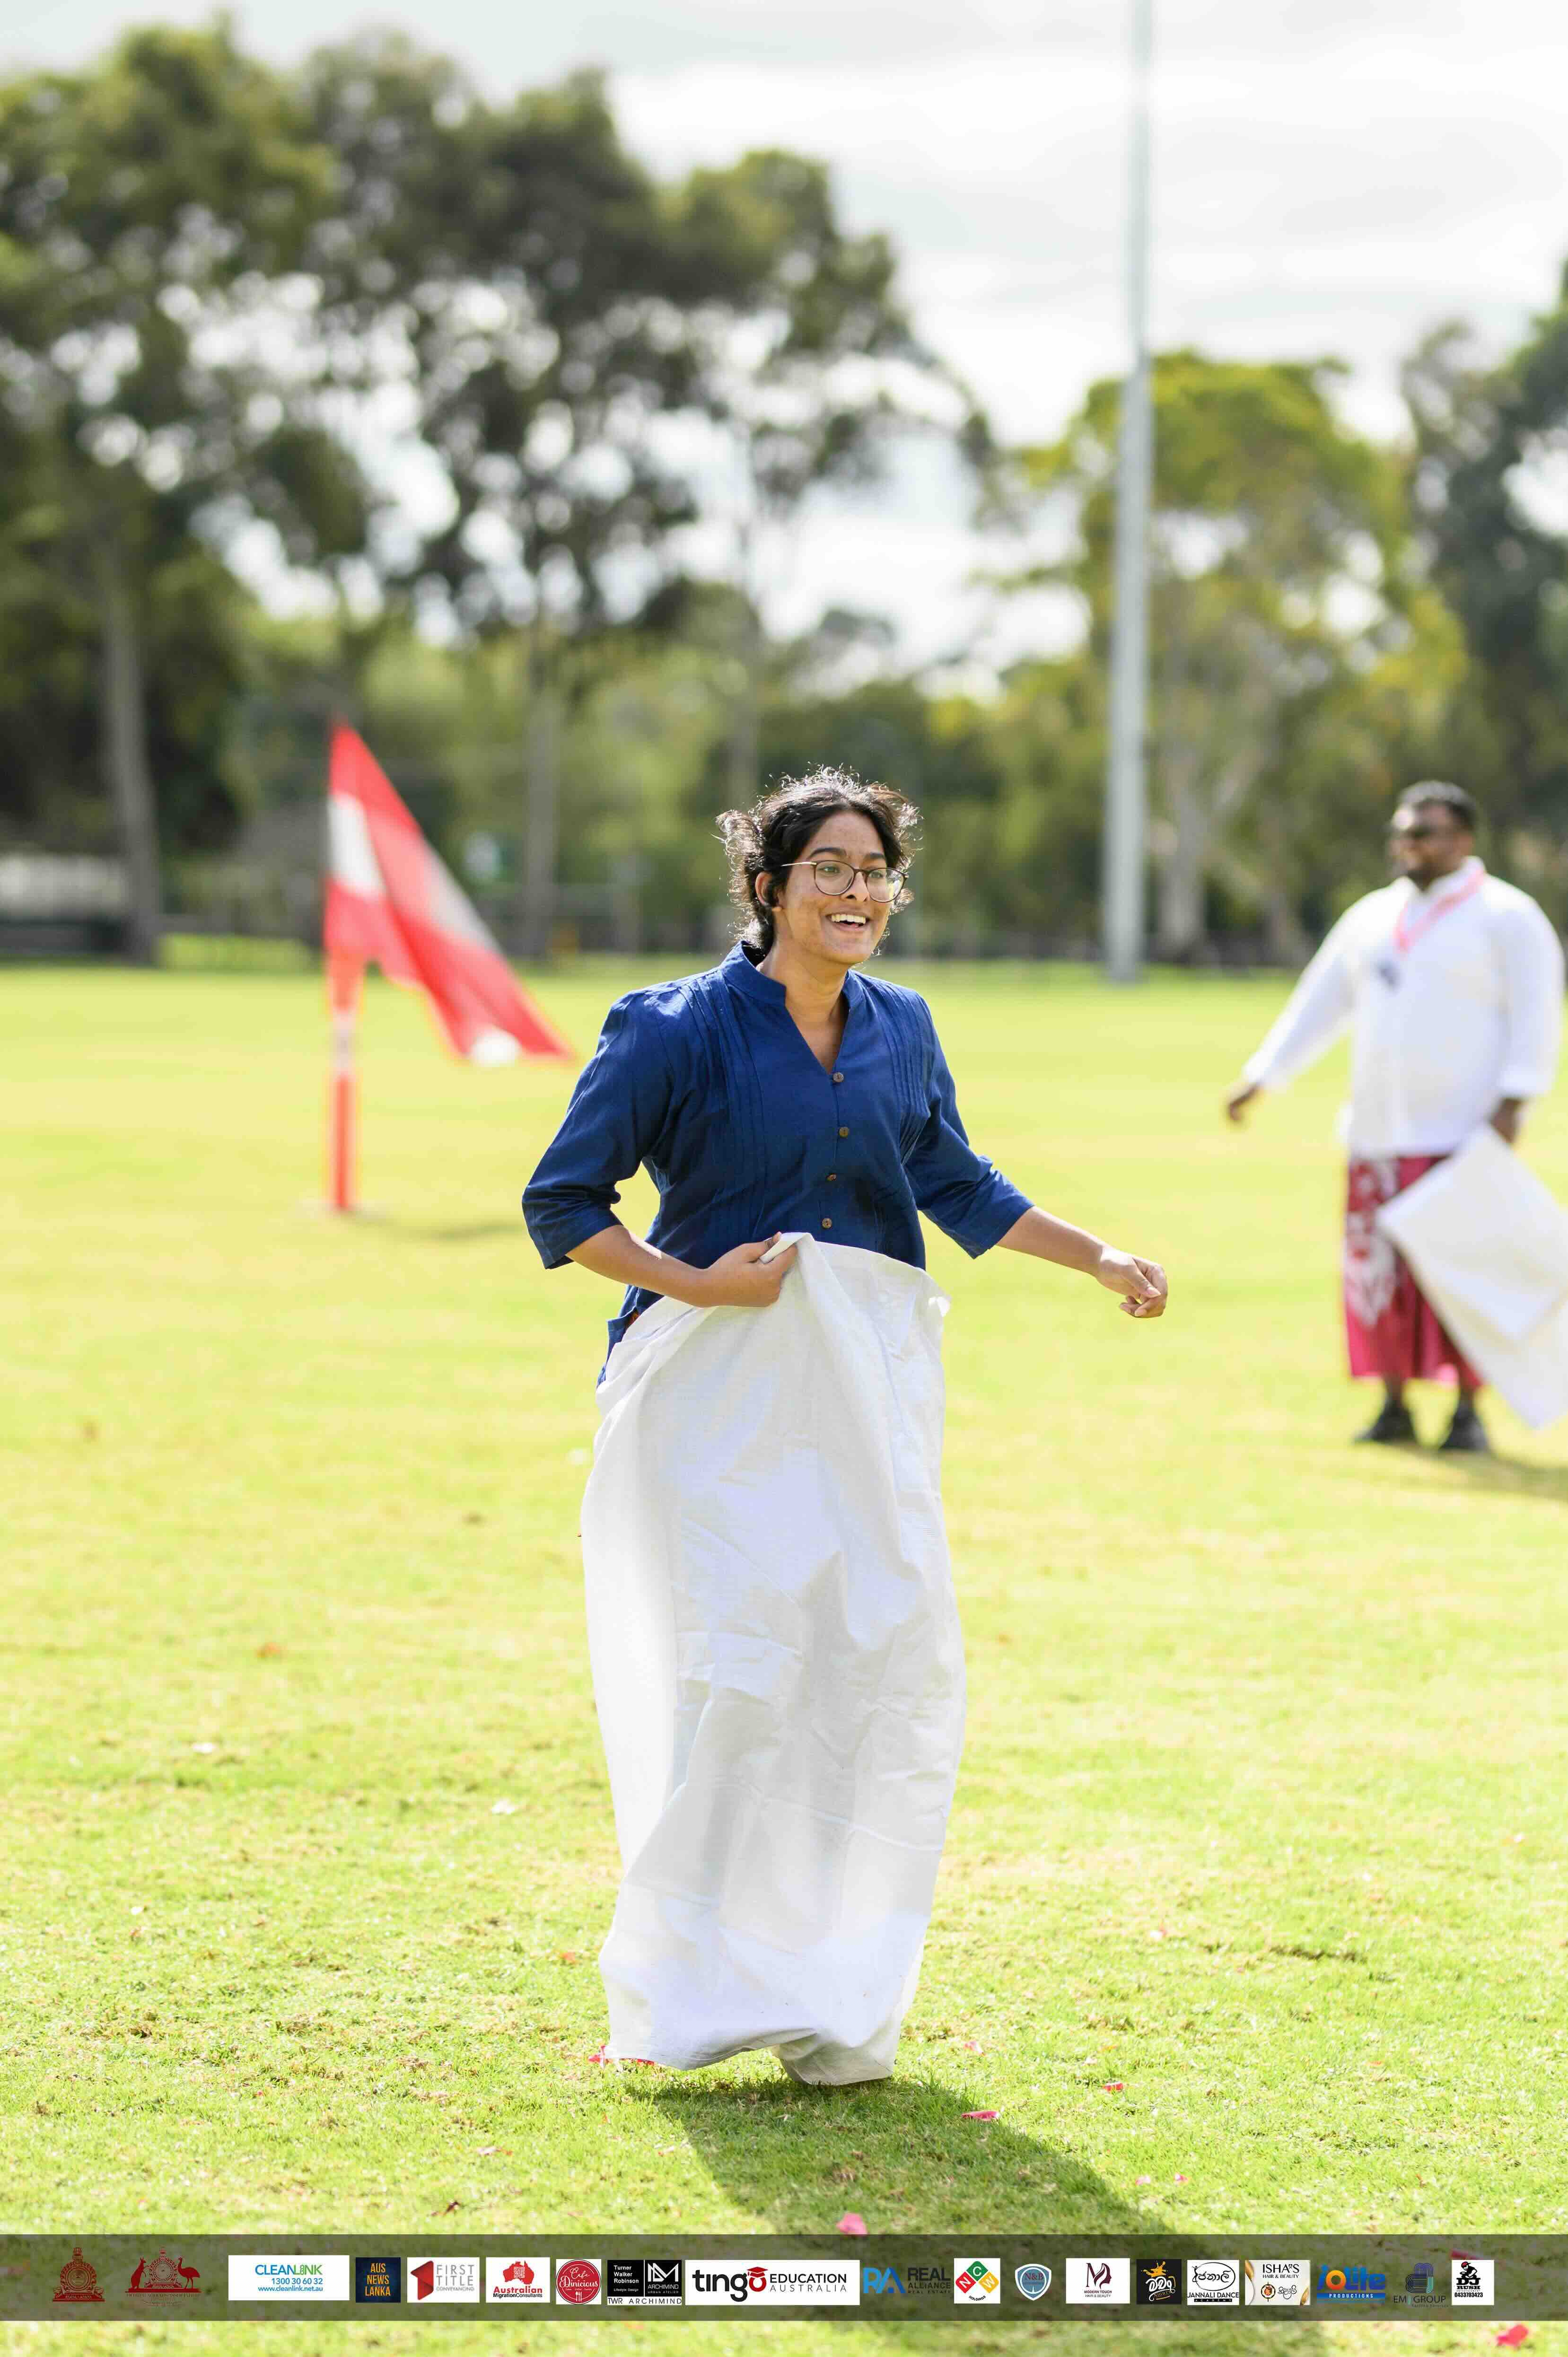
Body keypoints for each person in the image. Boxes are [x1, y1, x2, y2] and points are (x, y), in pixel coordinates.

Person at [523, 769, 1168, 2085]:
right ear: (765, 887)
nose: (856, 892)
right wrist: (700, 1281)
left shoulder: (903, 1026)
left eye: (874, 870)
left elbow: (952, 1179)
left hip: (861, 1389)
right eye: (827, 868)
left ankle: (835, 2000)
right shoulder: (670, 1030)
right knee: (741, 1681)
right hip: (707, 1393)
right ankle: (690, 1984)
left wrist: (1097, 1256)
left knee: (869, 1671)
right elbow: (563, 1205)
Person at [1226, 781, 1564, 1451]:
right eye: (1403, 833)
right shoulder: (1373, 917)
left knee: (1465, 1276)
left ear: (1463, 840)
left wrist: (1515, 1102)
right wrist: (1265, 1076)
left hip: (1463, 1134)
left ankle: (1468, 1411)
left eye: (1425, 833)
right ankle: (1394, 1403)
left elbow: (1537, 1014)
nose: (1408, 845)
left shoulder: (1507, 916)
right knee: (1378, 1276)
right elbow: (1320, 1002)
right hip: (1379, 1131)